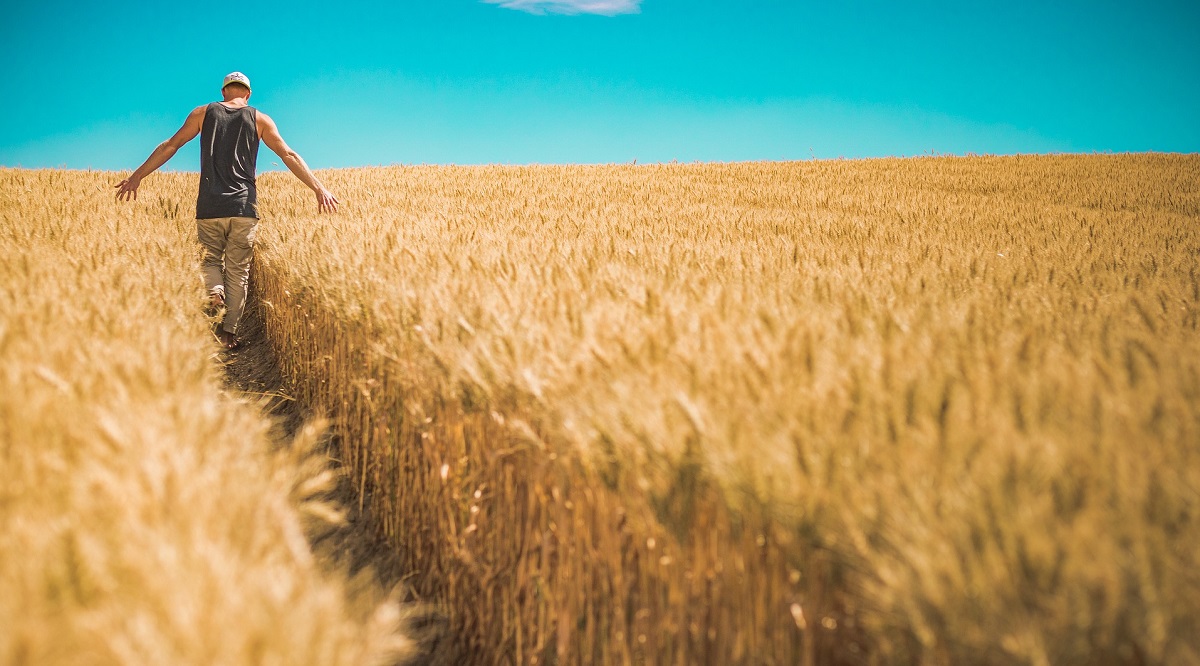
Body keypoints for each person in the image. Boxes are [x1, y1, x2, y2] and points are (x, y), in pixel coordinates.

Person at [115, 71, 338, 349]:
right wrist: (319, 189)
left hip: (210, 205)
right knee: (238, 272)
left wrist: (137, 176)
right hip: (244, 208)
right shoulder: (260, 119)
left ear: (223, 92)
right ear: (248, 94)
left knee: (210, 262)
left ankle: (214, 291)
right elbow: (288, 155)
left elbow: (170, 145)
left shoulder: (202, 113)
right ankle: (228, 334)